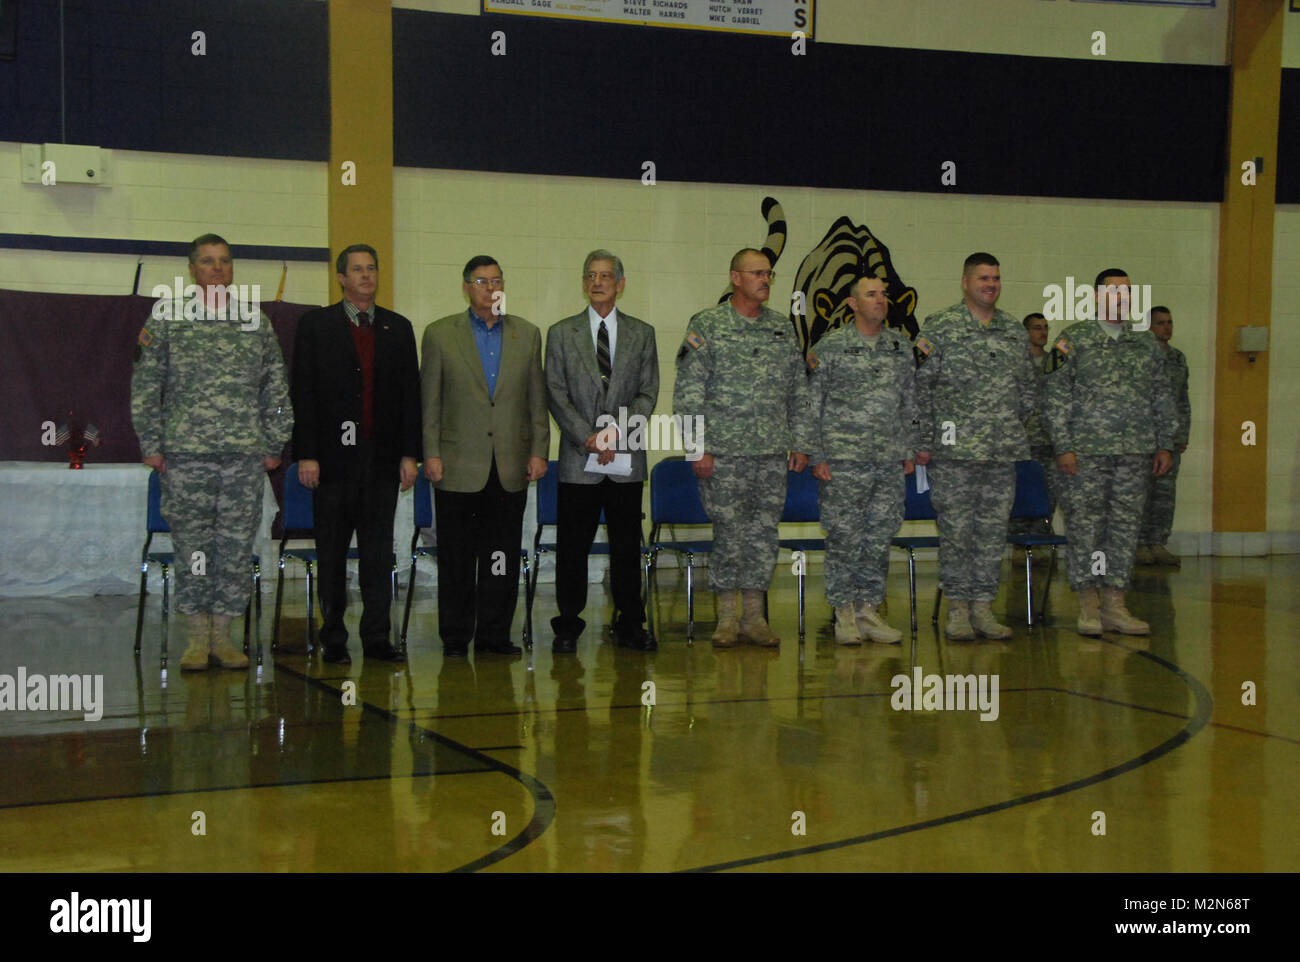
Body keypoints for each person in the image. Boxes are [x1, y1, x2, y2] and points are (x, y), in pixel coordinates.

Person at [131, 233, 293, 671]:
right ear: (192, 269)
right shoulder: (168, 317)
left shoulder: (254, 321)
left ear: (232, 267)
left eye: (224, 261)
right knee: (194, 548)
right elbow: (146, 386)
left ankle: (225, 637)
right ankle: (197, 638)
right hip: (185, 456)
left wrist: (273, 443)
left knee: (236, 546)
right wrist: (152, 445)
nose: (217, 268)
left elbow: (275, 388)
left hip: (243, 456)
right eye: (207, 261)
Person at [673, 248, 809, 648]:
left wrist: (800, 441)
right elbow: (688, 393)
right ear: (735, 278)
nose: (765, 280)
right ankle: (727, 617)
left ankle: (755, 616)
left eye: (769, 274)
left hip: (769, 454)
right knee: (729, 533)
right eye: (756, 274)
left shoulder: (782, 330)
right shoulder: (708, 325)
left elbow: (798, 392)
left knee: (763, 534)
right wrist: (697, 448)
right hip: (724, 454)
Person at [290, 244, 420, 664]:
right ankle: (333, 637)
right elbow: (303, 393)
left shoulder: (398, 328)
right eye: (357, 270)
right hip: (330, 463)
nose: (366, 276)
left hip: (381, 462)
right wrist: (306, 453)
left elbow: (409, 399)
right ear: (341, 278)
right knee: (331, 554)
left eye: (372, 268)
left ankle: (377, 638)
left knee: (378, 555)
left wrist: (409, 454)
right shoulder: (316, 325)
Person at [421, 256, 548, 656]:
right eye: (481, 281)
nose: (490, 288)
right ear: (466, 286)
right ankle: (456, 636)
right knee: (457, 557)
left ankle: (495, 635)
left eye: (496, 280)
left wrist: (540, 451)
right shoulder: (440, 334)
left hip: (509, 466)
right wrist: (431, 453)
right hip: (457, 465)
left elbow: (535, 400)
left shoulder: (526, 335)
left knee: (500, 556)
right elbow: (431, 402)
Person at [1045, 270, 1174, 636]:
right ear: (1097, 296)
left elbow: (1162, 396)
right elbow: (1054, 395)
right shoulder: (1073, 340)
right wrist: (1063, 446)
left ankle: (1115, 604)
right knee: (1086, 527)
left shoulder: (1145, 344)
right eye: (1113, 291)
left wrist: (1165, 442)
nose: (1121, 297)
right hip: (1085, 454)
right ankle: (1089, 604)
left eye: (1127, 292)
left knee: (1124, 528)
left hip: (1134, 454)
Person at [914, 252, 1035, 641]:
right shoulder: (941, 327)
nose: (991, 284)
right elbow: (918, 386)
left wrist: (1012, 425)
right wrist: (925, 440)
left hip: (1001, 451)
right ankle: (958, 611)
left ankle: (984, 607)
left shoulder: (1014, 332)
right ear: (965, 282)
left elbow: (1028, 390)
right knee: (957, 532)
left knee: (992, 532)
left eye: (996, 278)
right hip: (955, 454)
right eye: (983, 278)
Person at [545, 250, 660, 653]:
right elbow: (555, 393)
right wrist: (588, 435)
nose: (598, 282)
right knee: (572, 547)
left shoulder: (642, 333)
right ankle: (568, 625)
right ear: (583, 283)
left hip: (626, 459)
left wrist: (614, 434)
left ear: (621, 284)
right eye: (591, 275)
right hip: (579, 460)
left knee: (627, 546)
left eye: (606, 276)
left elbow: (649, 392)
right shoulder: (561, 333)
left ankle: (630, 623)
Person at [802, 275, 916, 645]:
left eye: (883, 294)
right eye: (871, 295)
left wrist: (909, 449)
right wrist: (817, 454)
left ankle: (868, 609)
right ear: (852, 304)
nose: (880, 300)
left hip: (888, 459)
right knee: (844, 536)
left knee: (879, 536)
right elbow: (811, 405)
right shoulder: (831, 347)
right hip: (843, 460)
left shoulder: (901, 346)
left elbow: (910, 403)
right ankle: (843, 612)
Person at [1137, 306, 1189, 566]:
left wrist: (1182, 434)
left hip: (1170, 441)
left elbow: (1182, 400)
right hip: (1144, 439)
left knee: (1165, 496)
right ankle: (1138, 544)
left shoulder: (1178, 359)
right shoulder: (1139, 356)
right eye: (1161, 323)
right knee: (1140, 494)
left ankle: (1157, 541)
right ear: (1149, 326)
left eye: (1170, 322)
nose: (1167, 327)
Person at [1008, 312, 1057, 556]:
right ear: (1026, 332)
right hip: (1022, 441)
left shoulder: (1054, 364)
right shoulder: (1016, 363)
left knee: (1048, 494)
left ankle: (1039, 543)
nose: (1043, 332)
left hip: (1049, 441)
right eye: (1037, 328)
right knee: (1019, 494)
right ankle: (1020, 546)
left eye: (1046, 327)